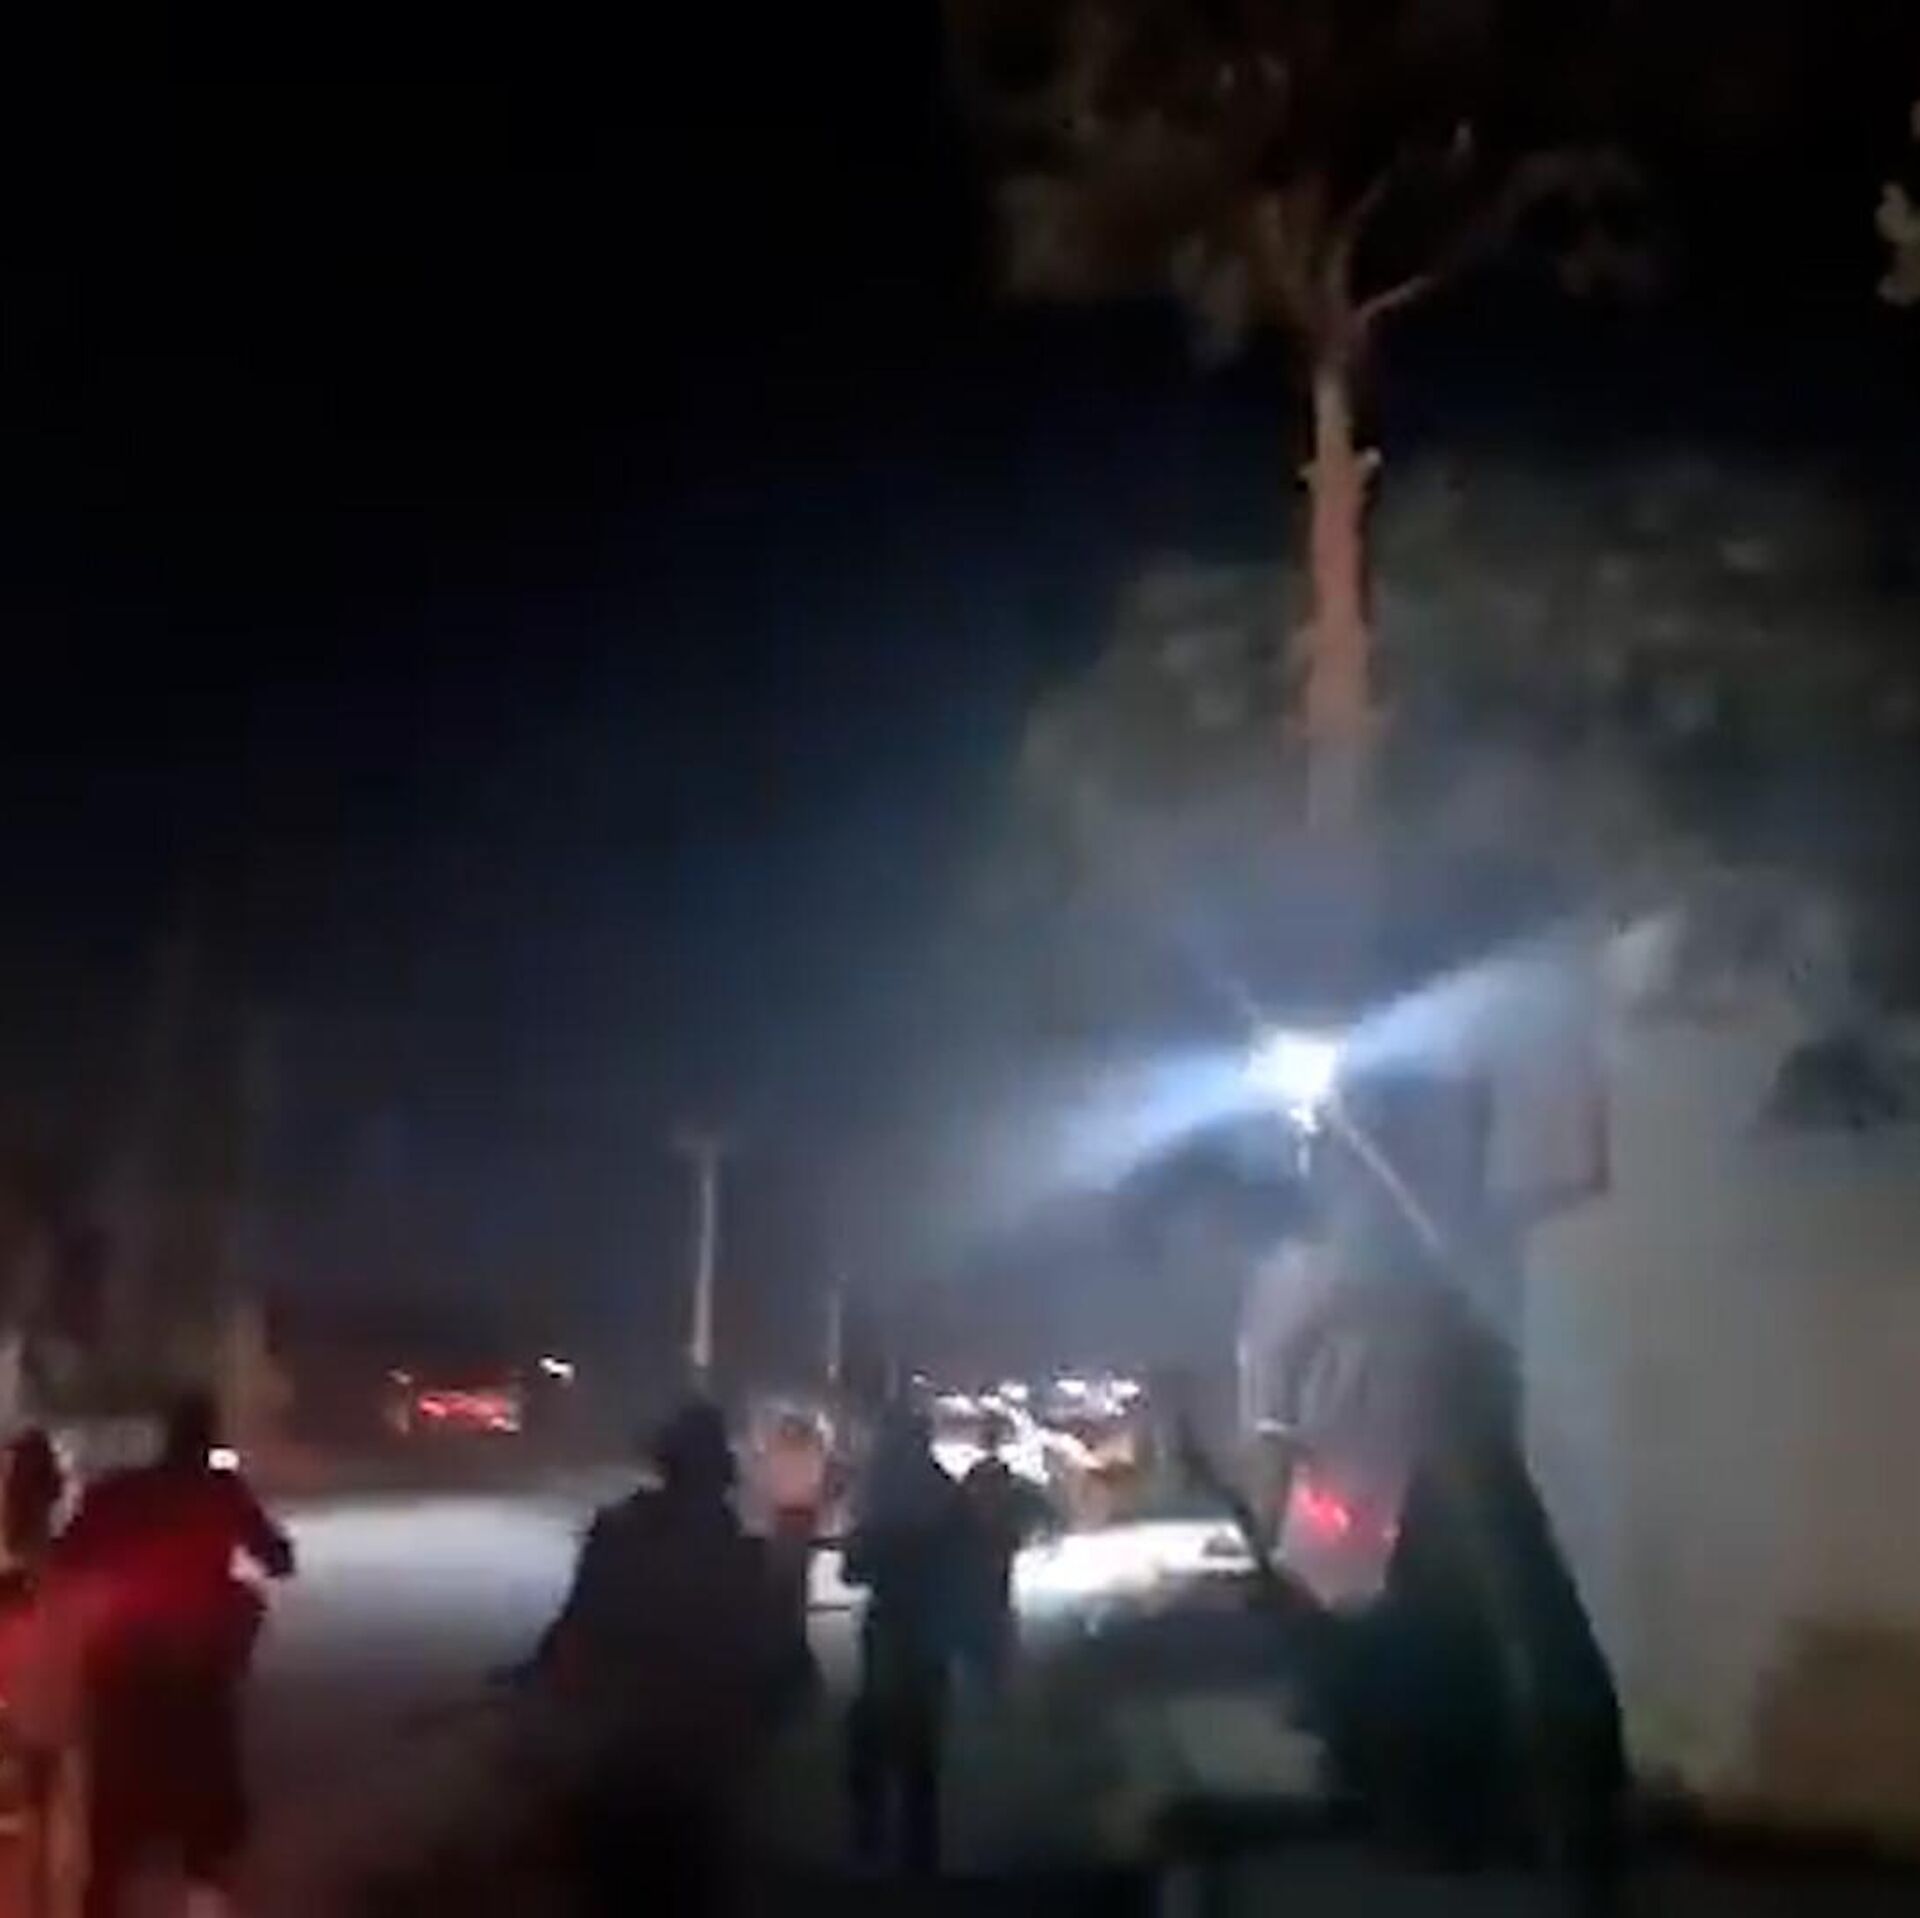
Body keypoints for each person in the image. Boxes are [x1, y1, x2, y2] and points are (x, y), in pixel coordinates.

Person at [531, 1398, 802, 1914]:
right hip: (698, 1772)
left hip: (623, 1759)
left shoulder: (618, 1535)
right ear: (722, 1479)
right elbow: (783, 1671)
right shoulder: (743, 1559)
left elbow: (575, 1633)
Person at [55, 1391, 294, 1918]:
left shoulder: (118, 1491)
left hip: (126, 1661)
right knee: (207, 1787)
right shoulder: (220, 1492)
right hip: (195, 1662)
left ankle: (103, 1896)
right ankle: (202, 1889)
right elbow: (277, 1557)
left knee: (114, 1801)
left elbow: (68, 1554)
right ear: (207, 1439)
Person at [842, 1401, 969, 1875]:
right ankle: (919, 1849)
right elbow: (965, 1565)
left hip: (890, 1621)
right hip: (930, 1628)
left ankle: (870, 1840)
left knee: (872, 1730)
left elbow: (853, 1568)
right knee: (921, 1744)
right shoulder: (945, 1493)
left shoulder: (877, 1493)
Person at [957, 1412, 1046, 1693]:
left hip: (983, 1544)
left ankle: (988, 1663)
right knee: (997, 1595)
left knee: (986, 1596)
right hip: (997, 1542)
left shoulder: (976, 1474)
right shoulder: (1002, 1475)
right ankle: (996, 1666)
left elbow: (963, 1505)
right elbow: (1023, 1505)